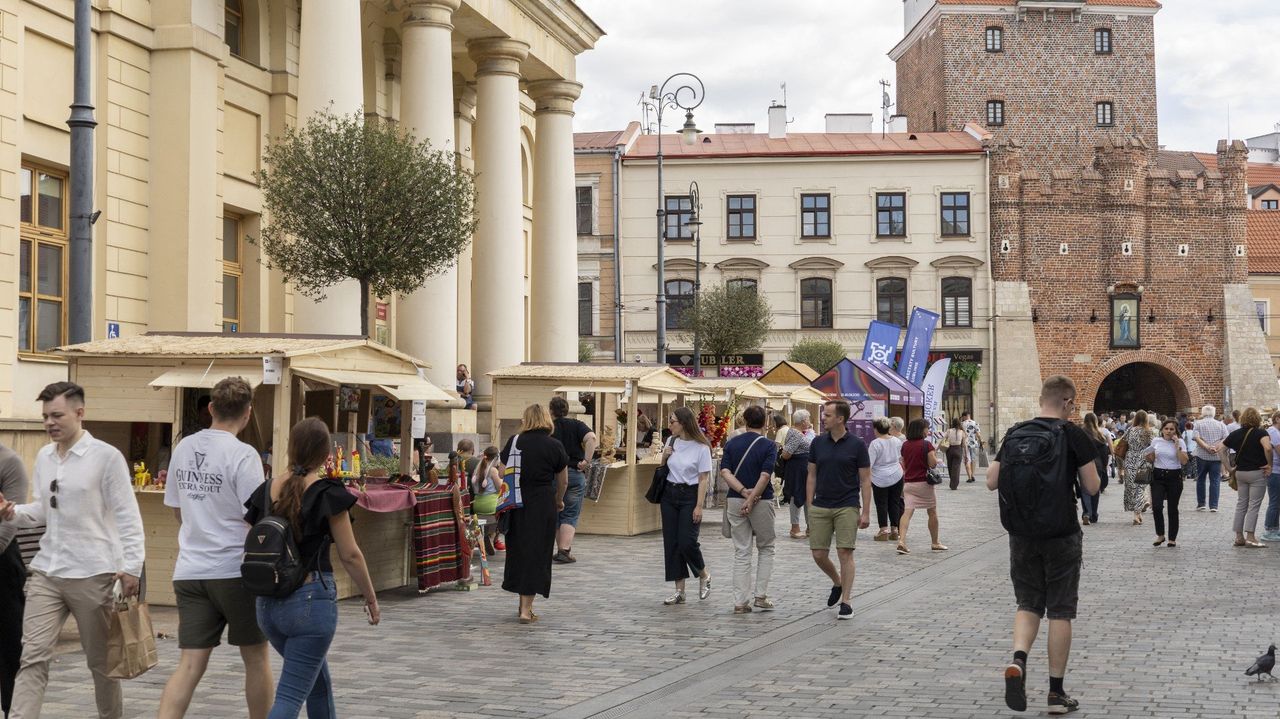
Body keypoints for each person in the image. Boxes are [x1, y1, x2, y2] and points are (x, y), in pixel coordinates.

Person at [0, 382, 144, 719]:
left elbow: (127, 515)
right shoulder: (46, 456)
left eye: (56, 415)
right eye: (45, 417)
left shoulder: (106, 458)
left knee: (100, 664)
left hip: (93, 573)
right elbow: (42, 510)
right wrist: (13, 512)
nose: (49, 423)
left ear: (80, 413)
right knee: (31, 656)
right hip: (47, 573)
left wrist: (132, 566)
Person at [242, 418, 379, 716]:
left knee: (316, 684)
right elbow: (350, 554)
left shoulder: (265, 490)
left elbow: (251, 541)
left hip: (267, 606)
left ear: (290, 449)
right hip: (309, 603)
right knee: (290, 697)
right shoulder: (327, 492)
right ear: (325, 453)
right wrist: (370, 597)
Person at [158, 377, 272, 719]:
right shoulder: (243, 455)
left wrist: (200, 531)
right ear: (248, 413)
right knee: (256, 657)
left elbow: (178, 510)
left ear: (211, 408)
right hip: (235, 570)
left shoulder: (183, 448)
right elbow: (257, 518)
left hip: (190, 569)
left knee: (190, 664)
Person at [986, 375, 1100, 715]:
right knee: (1061, 611)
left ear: (1041, 399)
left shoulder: (1015, 432)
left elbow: (991, 481)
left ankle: (1019, 661)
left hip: (1021, 534)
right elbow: (1092, 487)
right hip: (1061, 533)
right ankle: (1055, 693)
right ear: (1066, 402)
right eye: (1072, 404)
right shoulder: (1072, 434)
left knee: (1028, 603)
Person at [498, 404, 569, 622]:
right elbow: (563, 480)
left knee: (519, 551)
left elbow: (502, 472)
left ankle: (522, 605)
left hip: (518, 502)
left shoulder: (515, 441)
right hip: (543, 502)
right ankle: (526, 609)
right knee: (538, 553)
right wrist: (558, 501)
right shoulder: (554, 445)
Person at [806, 399, 871, 621]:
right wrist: (809, 504)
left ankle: (846, 601)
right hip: (821, 505)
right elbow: (811, 475)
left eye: (827, 415)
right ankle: (837, 581)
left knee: (845, 552)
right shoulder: (817, 443)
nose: (823, 418)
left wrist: (866, 512)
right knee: (818, 554)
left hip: (847, 504)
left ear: (840, 419)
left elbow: (865, 480)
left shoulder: (857, 444)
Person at [719, 406, 779, 614]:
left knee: (742, 551)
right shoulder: (769, 445)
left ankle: (740, 601)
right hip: (762, 499)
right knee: (766, 547)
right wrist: (752, 497)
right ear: (765, 423)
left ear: (744, 421)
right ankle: (760, 596)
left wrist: (743, 492)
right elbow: (765, 476)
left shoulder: (732, 443)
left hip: (735, 499)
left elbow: (725, 471)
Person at [659, 406, 714, 606]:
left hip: (690, 494)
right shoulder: (671, 441)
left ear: (683, 423)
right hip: (669, 494)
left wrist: (699, 506)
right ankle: (679, 590)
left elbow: (703, 478)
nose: (670, 425)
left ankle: (703, 574)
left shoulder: (701, 447)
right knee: (671, 542)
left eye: (672, 421)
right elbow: (664, 467)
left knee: (687, 541)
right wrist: (664, 456)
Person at [549, 396, 597, 564]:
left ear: (551, 410)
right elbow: (592, 438)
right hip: (574, 472)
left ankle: (560, 549)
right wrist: (586, 461)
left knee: (556, 512)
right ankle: (564, 550)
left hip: (553, 474)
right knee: (570, 513)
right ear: (567, 409)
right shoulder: (577, 425)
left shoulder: (549, 427)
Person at [0, 441, 28, 717]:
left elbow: (10, 523)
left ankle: (12, 711)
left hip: (3, 567)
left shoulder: (9, 462)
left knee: (9, 648)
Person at [1220, 407, 1273, 548]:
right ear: (1257, 418)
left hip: (1240, 472)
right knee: (1254, 505)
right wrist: (1269, 464)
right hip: (1256, 472)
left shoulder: (1236, 433)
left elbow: (1221, 449)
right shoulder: (1261, 432)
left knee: (1241, 504)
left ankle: (1239, 537)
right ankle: (1250, 537)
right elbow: (1267, 448)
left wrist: (1229, 468)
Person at [897, 418, 946, 554]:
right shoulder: (926, 445)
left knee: (907, 512)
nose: (928, 430)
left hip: (909, 484)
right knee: (932, 512)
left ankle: (902, 541)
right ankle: (935, 542)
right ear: (921, 429)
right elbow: (932, 464)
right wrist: (935, 457)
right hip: (924, 484)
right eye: (927, 428)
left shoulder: (905, 445)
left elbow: (905, 465)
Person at [1142, 419, 1189, 548]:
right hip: (1158, 476)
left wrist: (1177, 445)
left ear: (1176, 431)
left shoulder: (1180, 442)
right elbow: (1151, 459)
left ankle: (1172, 538)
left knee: (1172, 508)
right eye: (1166, 429)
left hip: (1174, 476)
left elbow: (1184, 461)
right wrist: (1148, 455)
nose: (1168, 431)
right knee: (1157, 506)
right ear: (1162, 429)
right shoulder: (1156, 441)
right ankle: (1160, 534)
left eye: (1171, 429)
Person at [868, 417, 904, 542]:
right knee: (895, 502)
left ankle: (883, 530)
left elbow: (869, 463)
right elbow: (900, 458)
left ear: (876, 429)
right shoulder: (896, 441)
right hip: (897, 474)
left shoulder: (875, 443)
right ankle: (895, 530)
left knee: (881, 503)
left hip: (879, 477)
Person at [780, 410, 815, 539]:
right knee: (797, 495)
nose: (809, 421)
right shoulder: (796, 434)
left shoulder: (797, 432)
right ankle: (795, 528)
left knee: (807, 496)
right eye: (808, 419)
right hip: (798, 470)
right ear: (804, 420)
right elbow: (786, 453)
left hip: (803, 469)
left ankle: (810, 527)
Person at [1191, 405, 1228, 512]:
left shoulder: (1198, 424)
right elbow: (1226, 438)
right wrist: (1216, 447)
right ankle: (1214, 505)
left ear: (1203, 413)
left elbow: (1196, 438)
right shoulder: (1221, 425)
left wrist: (1207, 447)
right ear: (1214, 413)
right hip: (1216, 456)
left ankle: (1201, 503)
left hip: (1202, 455)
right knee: (1215, 481)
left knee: (1201, 479)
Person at [1122, 410, 1153, 525]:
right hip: (1143, 461)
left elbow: (1123, 442)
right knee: (1140, 488)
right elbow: (1152, 447)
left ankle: (1137, 513)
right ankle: (1136, 513)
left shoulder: (1130, 430)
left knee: (1131, 487)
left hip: (1130, 460)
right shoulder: (1148, 432)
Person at [470, 446, 504, 551]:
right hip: (491, 505)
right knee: (505, 512)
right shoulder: (493, 470)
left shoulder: (478, 468)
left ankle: (483, 537)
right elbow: (500, 488)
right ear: (496, 458)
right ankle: (491, 537)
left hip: (477, 504)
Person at [1079, 413, 1110, 525]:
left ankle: (1086, 512)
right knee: (1095, 490)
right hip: (1097, 464)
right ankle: (1094, 515)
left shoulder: (1080, 434)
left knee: (1085, 489)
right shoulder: (1100, 435)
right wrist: (1105, 465)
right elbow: (1104, 453)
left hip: (1083, 463)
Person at [1264, 412, 1280, 543]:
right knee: (1274, 502)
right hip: (1275, 471)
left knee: (1276, 502)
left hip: (1276, 471)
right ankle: (1270, 529)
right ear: (1277, 419)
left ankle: (1275, 528)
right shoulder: (1274, 432)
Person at [943, 417, 966, 491]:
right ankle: (954, 485)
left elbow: (943, 440)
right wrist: (965, 454)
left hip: (950, 450)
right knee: (956, 468)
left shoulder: (949, 431)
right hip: (958, 450)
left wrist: (936, 449)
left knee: (950, 467)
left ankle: (952, 483)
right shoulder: (962, 432)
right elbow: (964, 444)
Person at [961, 411, 983, 482]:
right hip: (973, 444)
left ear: (964, 416)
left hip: (965, 444)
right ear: (969, 415)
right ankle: (973, 475)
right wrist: (981, 442)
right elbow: (978, 434)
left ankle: (969, 477)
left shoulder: (962, 424)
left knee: (967, 460)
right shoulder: (975, 423)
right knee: (973, 459)